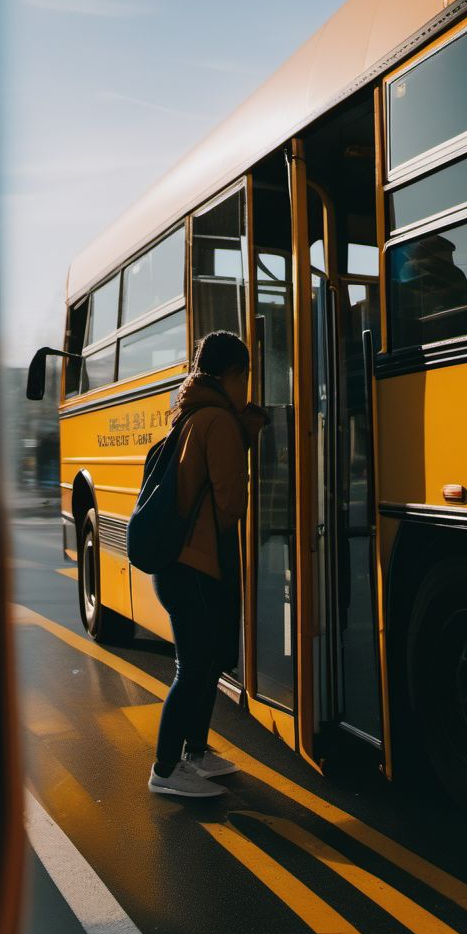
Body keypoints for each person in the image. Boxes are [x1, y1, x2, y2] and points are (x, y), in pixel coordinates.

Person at [148, 331, 267, 798]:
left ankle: (195, 752)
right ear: (232, 375)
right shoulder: (217, 420)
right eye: (247, 377)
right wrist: (245, 443)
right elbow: (230, 505)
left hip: (179, 564)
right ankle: (165, 767)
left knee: (205, 661)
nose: (248, 388)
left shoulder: (190, 413)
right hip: (194, 565)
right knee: (196, 667)